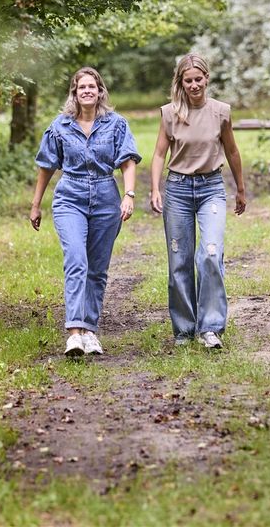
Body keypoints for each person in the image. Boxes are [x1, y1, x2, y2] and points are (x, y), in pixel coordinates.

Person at [30, 67, 141, 356]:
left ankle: (90, 331)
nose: (88, 91)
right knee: (77, 260)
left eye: (92, 86)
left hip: (106, 197)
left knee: (97, 268)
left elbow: (128, 161)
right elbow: (46, 166)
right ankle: (74, 334)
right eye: (82, 87)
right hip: (70, 197)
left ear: (100, 91)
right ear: (75, 93)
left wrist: (129, 195)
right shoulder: (60, 126)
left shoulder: (116, 124)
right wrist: (36, 204)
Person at [150, 54, 246, 349]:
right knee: (179, 259)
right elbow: (159, 153)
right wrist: (155, 189)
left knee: (210, 253)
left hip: (211, 188)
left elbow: (232, 151)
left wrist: (240, 188)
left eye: (198, 79)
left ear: (207, 79)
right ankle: (184, 329)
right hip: (178, 190)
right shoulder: (170, 113)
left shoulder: (221, 112)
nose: (194, 85)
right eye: (188, 80)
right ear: (181, 82)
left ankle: (210, 327)